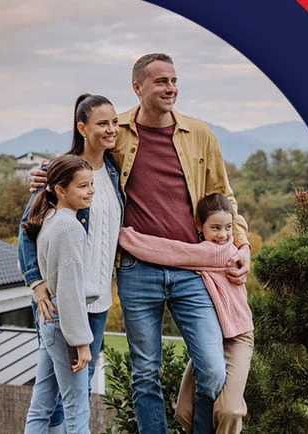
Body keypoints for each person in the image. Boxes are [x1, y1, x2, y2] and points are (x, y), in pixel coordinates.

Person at [30, 53, 250, 434]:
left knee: (212, 367)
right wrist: (48, 175)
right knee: (145, 373)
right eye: (161, 81)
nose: (171, 88)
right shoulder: (119, 131)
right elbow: (84, 158)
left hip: (191, 269)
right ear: (138, 87)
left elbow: (222, 196)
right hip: (137, 269)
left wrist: (242, 245)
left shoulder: (200, 134)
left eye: (174, 80)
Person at [19, 94, 124, 432]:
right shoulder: (62, 173)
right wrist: (36, 284)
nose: (111, 129)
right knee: (74, 399)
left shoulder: (111, 171)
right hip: (66, 304)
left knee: (52, 395)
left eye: (114, 122)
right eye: (102, 123)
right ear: (82, 128)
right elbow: (28, 232)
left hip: (96, 300)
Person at [118, 194, 254, 434]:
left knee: (228, 409)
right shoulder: (203, 249)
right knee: (183, 412)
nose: (223, 235)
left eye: (229, 227)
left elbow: (168, 252)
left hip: (236, 335)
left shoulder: (222, 252)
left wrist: (125, 236)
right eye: (216, 228)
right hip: (216, 332)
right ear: (198, 225)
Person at [22, 154, 99, 434]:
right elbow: (70, 290)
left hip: (51, 321)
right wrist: (81, 342)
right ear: (60, 190)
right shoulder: (69, 228)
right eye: (82, 186)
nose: (90, 191)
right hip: (64, 322)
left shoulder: (51, 219)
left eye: (91, 184)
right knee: (77, 407)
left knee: (41, 405)